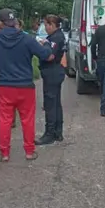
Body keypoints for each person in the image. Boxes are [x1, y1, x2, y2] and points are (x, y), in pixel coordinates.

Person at [0, 8, 54, 162]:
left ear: (0, 23)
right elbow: (47, 56)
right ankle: (29, 151)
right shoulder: (27, 39)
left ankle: (4, 153)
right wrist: (46, 45)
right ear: (15, 22)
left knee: (5, 120)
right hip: (25, 86)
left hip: (5, 86)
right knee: (27, 119)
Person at [35, 15, 67, 145]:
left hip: (52, 72)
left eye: (46, 25)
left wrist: (43, 46)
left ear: (52, 25)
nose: (45, 28)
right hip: (56, 71)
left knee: (50, 104)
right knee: (56, 104)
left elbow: (49, 56)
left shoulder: (55, 38)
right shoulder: (58, 36)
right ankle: (58, 132)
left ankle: (50, 134)